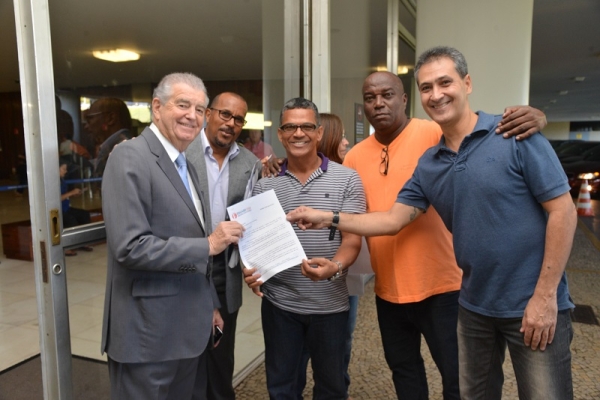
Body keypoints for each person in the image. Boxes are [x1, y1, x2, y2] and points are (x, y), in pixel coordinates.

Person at [287, 46, 577, 400]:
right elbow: (392, 219)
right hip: (472, 304)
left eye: (445, 83)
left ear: (466, 83)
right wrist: (323, 214)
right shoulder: (430, 163)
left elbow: (564, 211)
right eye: (427, 87)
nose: (436, 95)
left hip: (511, 299)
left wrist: (545, 296)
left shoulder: (510, 135)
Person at [100, 72, 245, 400]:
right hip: (148, 335)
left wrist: (211, 304)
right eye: (182, 105)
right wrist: (209, 245)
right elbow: (130, 247)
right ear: (157, 107)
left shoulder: (186, 166)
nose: (192, 116)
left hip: (189, 330)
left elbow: (189, 234)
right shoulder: (129, 156)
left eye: (199, 109)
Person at [243, 98, 366, 399]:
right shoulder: (265, 185)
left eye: (307, 126)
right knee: (282, 388)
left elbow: (352, 239)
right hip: (280, 306)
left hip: (330, 306)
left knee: (331, 388)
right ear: (281, 134)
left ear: (319, 133)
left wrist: (335, 267)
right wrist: (252, 270)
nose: (298, 133)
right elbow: (256, 242)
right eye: (290, 127)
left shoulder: (347, 178)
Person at [186, 92, 261, 400]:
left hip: (224, 272)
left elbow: (253, 216)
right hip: (185, 264)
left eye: (239, 119)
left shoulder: (250, 163)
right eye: (225, 114)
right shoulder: (181, 152)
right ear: (208, 114)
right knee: (187, 357)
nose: (231, 123)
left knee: (220, 355)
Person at [84, 97, 133, 178]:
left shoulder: (121, 150)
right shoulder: (123, 147)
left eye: (90, 119)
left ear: (110, 119)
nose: (86, 126)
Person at [59, 160, 91, 256]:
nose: (65, 171)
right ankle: (67, 247)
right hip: (58, 211)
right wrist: (71, 192)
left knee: (84, 215)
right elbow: (55, 199)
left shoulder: (62, 180)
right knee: (70, 220)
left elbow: (65, 195)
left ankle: (82, 242)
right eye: (63, 169)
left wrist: (74, 194)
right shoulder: (52, 182)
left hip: (66, 208)